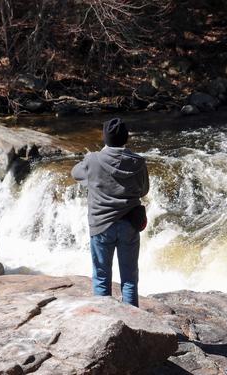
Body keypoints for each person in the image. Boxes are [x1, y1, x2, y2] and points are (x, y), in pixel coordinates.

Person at [71, 118, 149, 307]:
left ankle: (104, 322)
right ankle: (133, 325)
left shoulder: (92, 160)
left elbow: (75, 173)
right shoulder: (138, 162)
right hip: (130, 224)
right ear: (126, 138)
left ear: (105, 137)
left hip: (101, 225)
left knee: (101, 278)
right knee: (129, 279)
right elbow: (144, 190)